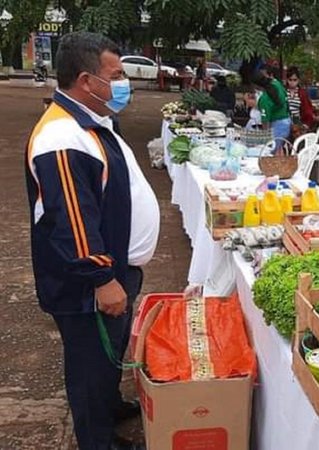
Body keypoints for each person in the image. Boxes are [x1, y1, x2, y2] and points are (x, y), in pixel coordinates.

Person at [24, 31, 160, 450]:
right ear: (86, 81)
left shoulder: (90, 121)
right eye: (115, 74)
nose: (123, 83)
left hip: (115, 266)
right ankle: (98, 439)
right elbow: (71, 221)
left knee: (107, 353)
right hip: (87, 284)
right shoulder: (61, 138)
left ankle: (108, 403)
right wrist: (102, 278)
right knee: (88, 362)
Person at [253, 72, 292, 148]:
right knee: (280, 150)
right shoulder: (277, 83)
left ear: (256, 86)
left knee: (271, 153)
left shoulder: (264, 99)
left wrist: (266, 140)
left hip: (277, 126)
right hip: (287, 122)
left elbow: (265, 121)